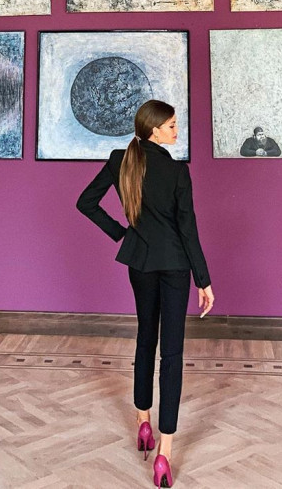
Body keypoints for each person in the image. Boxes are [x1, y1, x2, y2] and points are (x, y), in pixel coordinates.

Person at [76, 100, 214, 488]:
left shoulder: (120, 160)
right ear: (154, 130)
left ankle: (142, 423)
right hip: (175, 265)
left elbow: (85, 203)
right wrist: (203, 280)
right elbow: (188, 230)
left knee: (144, 341)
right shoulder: (177, 171)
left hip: (139, 262)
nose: (176, 131)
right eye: (171, 126)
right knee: (172, 354)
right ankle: (164, 454)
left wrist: (122, 234)